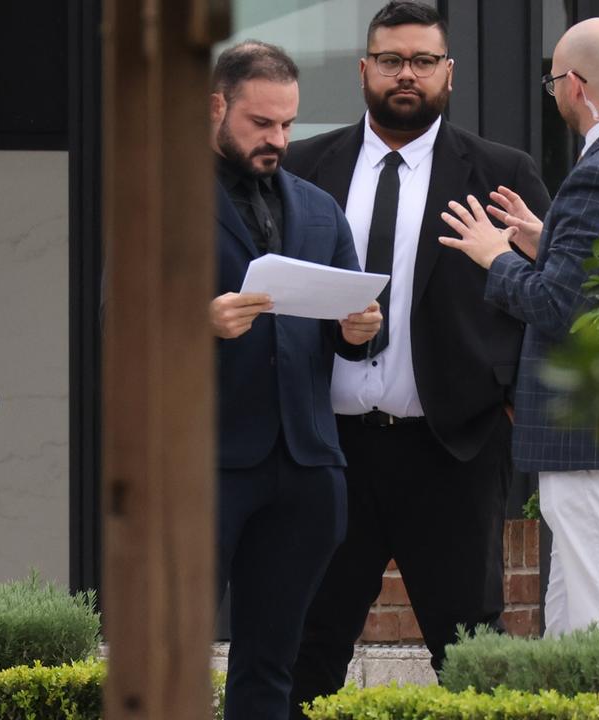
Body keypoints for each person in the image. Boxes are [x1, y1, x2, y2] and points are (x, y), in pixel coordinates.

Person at [284, 2, 551, 712]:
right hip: (330, 453)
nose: (408, 74)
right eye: (393, 59)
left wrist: (508, 400)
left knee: (469, 653)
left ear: (449, 74)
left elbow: (544, 301)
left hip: (452, 451)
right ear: (365, 69)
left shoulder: (500, 172)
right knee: (306, 646)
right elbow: (276, 297)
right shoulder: (307, 170)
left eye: (424, 61)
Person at [438, 17, 599, 637]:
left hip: (595, 438)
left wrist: (493, 257)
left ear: (575, 85)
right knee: (572, 626)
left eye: (552, 80)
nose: (553, 92)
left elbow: (563, 309)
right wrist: (546, 237)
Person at [208, 41, 383, 720]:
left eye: (287, 124)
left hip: (307, 467)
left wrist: (359, 330)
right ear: (216, 106)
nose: (278, 139)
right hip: (204, 468)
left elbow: (348, 325)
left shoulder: (316, 209)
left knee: (273, 665)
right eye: (261, 124)